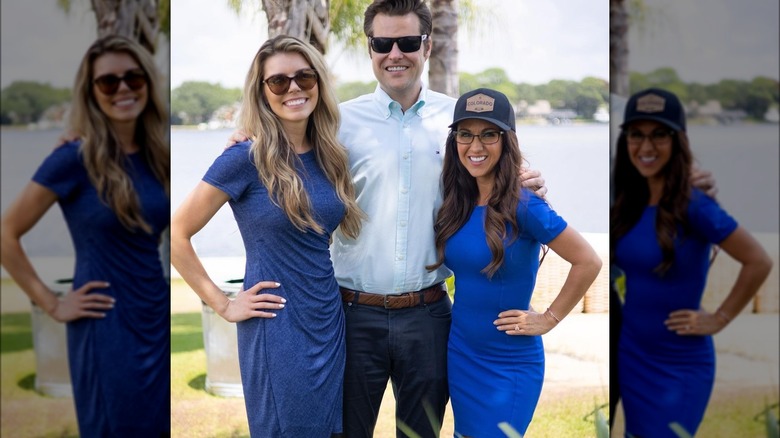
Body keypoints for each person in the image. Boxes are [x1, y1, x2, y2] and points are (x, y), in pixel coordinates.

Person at [226, 2, 545, 436]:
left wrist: (533, 183)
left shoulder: (459, 123)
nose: (395, 53)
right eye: (383, 43)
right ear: (370, 48)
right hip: (351, 315)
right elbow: (279, 133)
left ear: (427, 47)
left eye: (408, 42)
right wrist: (245, 132)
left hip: (429, 315)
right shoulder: (334, 124)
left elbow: (502, 174)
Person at [170, 35, 363, 437]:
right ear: (262, 93)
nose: (293, 88)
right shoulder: (244, 158)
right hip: (277, 327)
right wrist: (223, 304)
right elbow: (175, 234)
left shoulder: (329, 154)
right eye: (278, 82)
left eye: (304, 77)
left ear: (318, 84)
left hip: (328, 320)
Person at [0, 35, 170, 437]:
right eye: (108, 82)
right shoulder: (73, 158)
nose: (124, 88)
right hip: (105, 324)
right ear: (91, 93)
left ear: (148, 80)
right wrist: (52, 304)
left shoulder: (159, 154)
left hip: (156, 316)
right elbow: (6, 234)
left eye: (133, 77)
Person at [424, 88, 602, 436]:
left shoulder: (525, 204)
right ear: (454, 140)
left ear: (507, 141)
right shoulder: (457, 201)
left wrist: (548, 319)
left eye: (489, 134)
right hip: (461, 353)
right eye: (465, 134)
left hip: (508, 362)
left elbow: (588, 261)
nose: (475, 147)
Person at [611, 88, 772, 437]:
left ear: (678, 140)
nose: (646, 147)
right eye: (636, 135)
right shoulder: (627, 201)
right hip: (632, 352)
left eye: (659, 135)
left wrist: (719, 318)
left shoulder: (694, 204)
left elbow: (758, 261)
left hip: (679, 361)